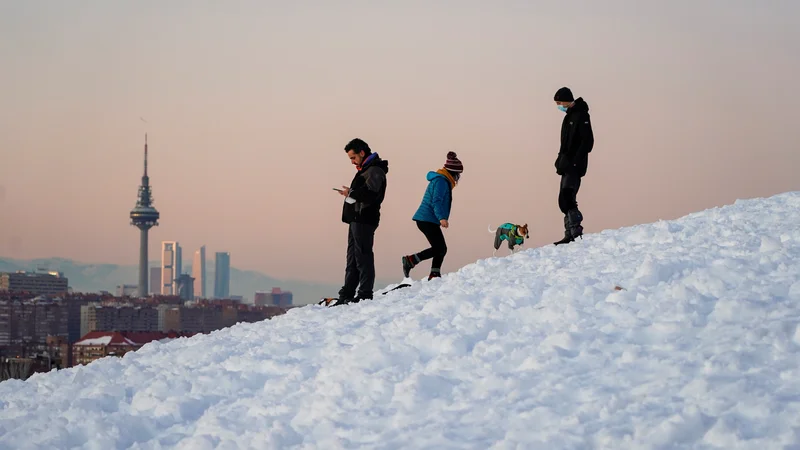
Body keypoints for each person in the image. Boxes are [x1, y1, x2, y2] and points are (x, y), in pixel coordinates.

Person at [333, 138, 389, 304]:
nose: (352, 162)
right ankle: (347, 293)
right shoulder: (366, 170)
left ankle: (365, 293)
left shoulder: (374, 171)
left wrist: (352, 193)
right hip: (356, 219)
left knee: (363, 257)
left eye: (353, 157)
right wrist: (352, 193)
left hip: (364, 219)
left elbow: (371, 194)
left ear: (362, 153)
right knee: (352, 258)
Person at [401, 151, 463, 281]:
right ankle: (411, 260)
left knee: (440, 248)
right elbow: (436, 201)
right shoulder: (441, 181)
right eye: (458, 175)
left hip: (428, 219)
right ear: (453, 173)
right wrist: (442, 218)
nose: (458, 179)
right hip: (426, 219)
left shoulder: (442, 180)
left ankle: (433, 273)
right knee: (440, 247)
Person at [552, 87, 594, 245]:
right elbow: (565, 144)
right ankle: (569, 232)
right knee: (563, 199)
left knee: (567, 196)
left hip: (574, 165)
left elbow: (587, 142)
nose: (558, 106)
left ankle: (575, 229)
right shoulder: (569, 116)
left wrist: (575, 161)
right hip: (566, 164)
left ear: (566, 100)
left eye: (559, 102)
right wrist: (560, 161)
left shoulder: (581, 115)